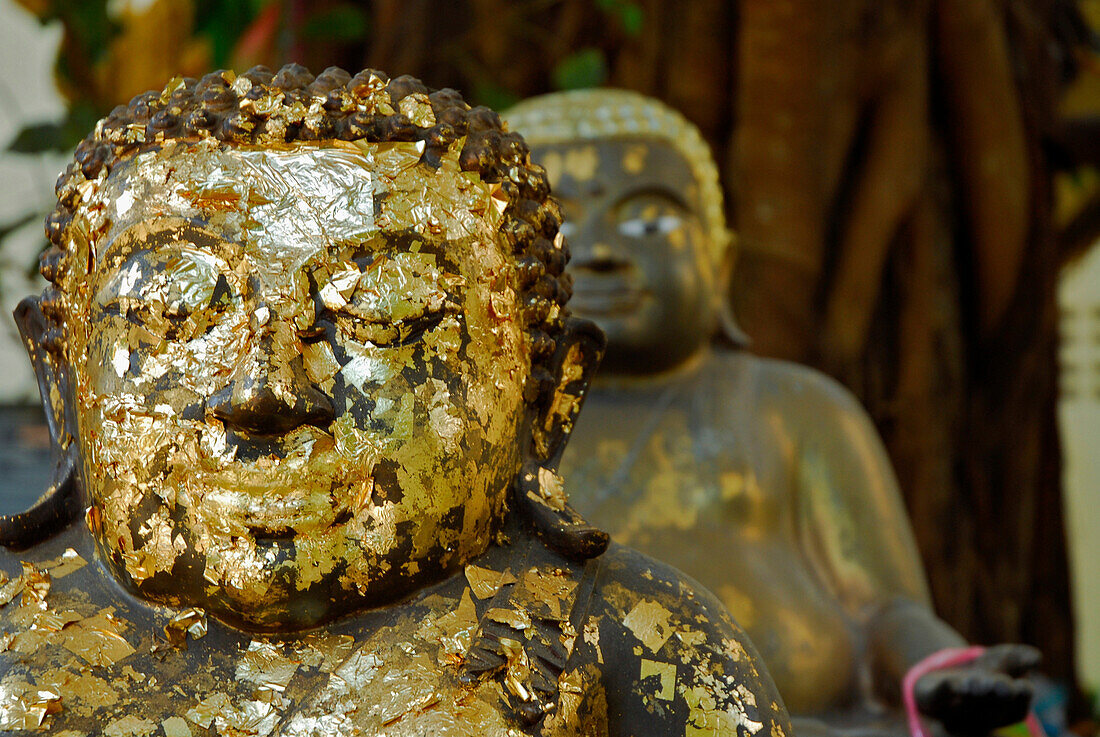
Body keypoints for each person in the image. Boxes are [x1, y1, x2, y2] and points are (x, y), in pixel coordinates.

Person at [0, 66, 792, 737]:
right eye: (173, 312)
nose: (264, 391)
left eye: (382, 313)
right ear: (61, 384)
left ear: (545, 403)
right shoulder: (17, 644)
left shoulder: (627, 640)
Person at [505, 89, 1039, 737]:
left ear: (721, 263)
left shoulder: (795, 405)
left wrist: (939, 670)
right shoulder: (489, 430)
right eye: (559, 224)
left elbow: (882, 605)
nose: (599, 252)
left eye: (647, 221)